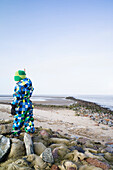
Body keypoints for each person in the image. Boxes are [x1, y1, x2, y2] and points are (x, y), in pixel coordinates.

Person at [11, 70, 35, 137]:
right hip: (28, 103)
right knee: (29, 118)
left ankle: (16, 133)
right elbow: (32, 90)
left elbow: (17, 97)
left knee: (18, 119)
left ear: (18, 78)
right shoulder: (29, 83)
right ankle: (30, 132)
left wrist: (13, 106)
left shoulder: (18, 86)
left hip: (21, 104)